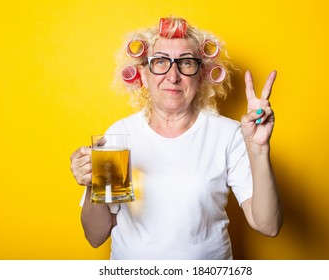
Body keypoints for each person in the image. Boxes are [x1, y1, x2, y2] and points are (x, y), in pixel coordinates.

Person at [70, 16, 283, 260]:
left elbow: (268, 225)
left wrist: (258, 150)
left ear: (201, 74)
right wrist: (91, 183)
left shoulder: (229, 134)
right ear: (143, 73)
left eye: (186, 63)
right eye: (160, 62)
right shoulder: (120, 135)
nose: (173, 76)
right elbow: (95, 236)